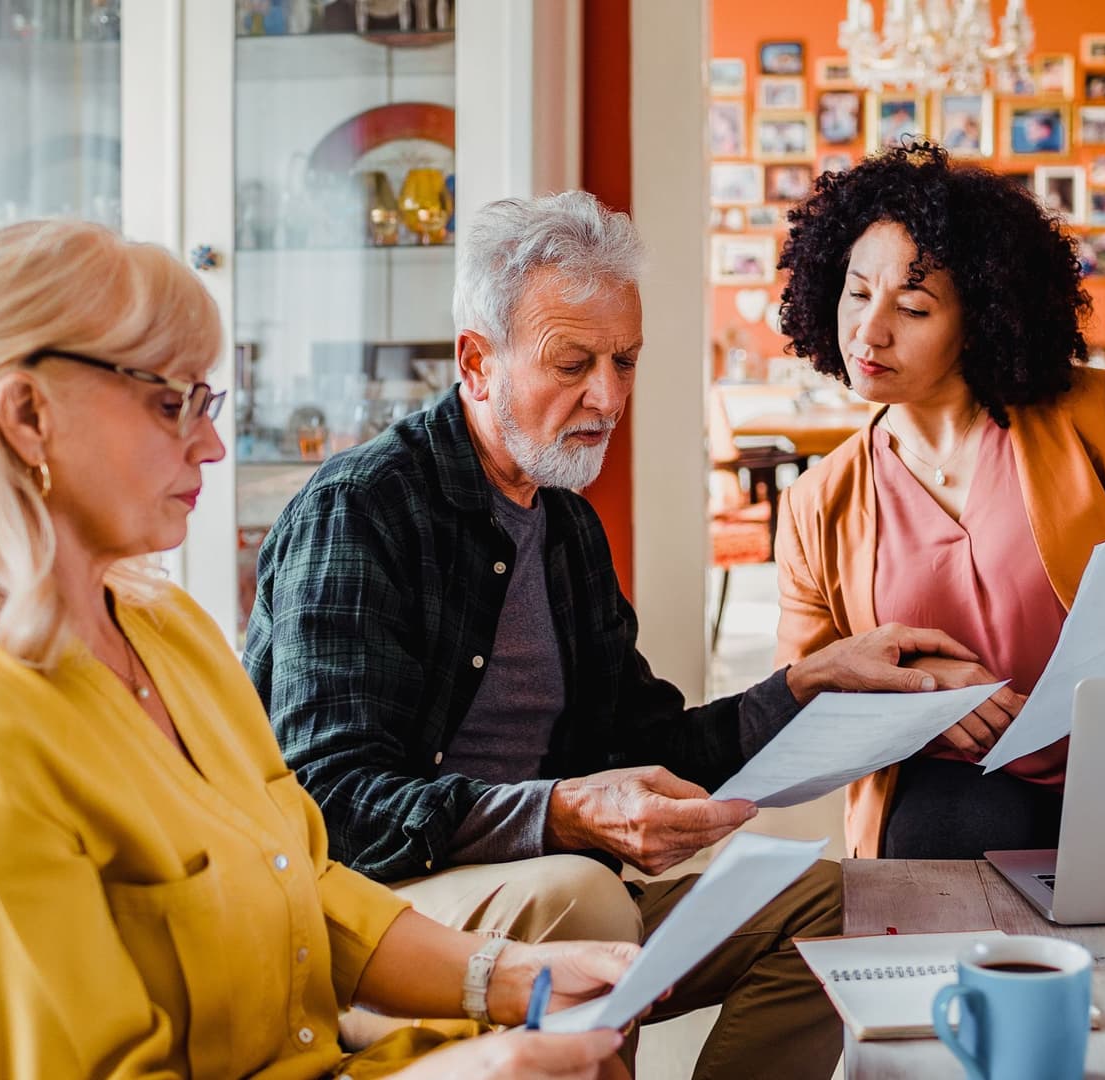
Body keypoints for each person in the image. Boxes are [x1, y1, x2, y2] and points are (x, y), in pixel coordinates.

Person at [0, 218, 642, 1080]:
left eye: (208, 403)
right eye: (173, 404)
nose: (212, 444)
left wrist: (515, 978)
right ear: (27, 416)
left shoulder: (165, 631)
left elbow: (302, 880)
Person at [244, 191, 971, 1080]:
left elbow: (649, 744)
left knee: (845, 907)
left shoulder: (566, 526)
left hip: (561, 898)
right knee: (585, 891)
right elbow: (330, 801)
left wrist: (810, 683)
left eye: (624, 360)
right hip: (384, 926)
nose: (609, 395)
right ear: (477, 362)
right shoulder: (362, 509)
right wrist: (560, 814)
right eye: (573, 363)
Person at [771, 143, 1105, 861]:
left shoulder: (1098, 414)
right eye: (857, 293)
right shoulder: (817, 504)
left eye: (913, 306)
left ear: (982, 317)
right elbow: (802, 710)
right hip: (950, 795)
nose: (869, 331)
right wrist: (915, 699)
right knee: (957, 826)